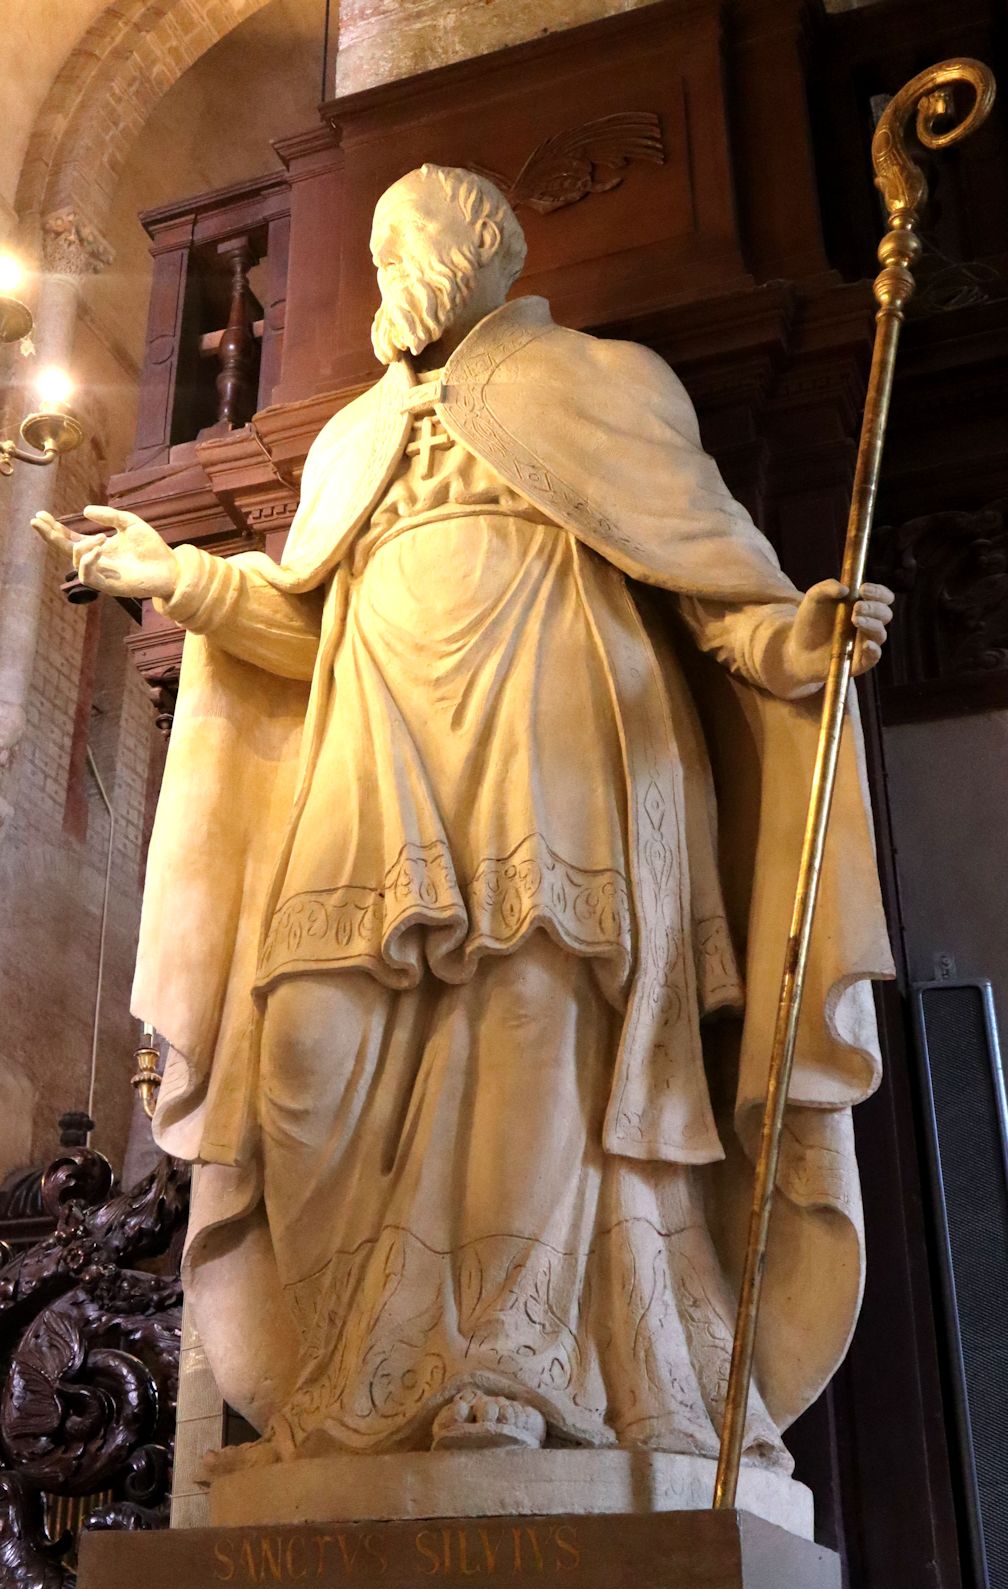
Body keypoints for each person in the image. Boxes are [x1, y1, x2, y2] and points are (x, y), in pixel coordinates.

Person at [33, 165, 894, 1477]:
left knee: (538, 1029)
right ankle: (352, 1375)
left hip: (562, 751)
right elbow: (298, 626)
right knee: (309, 1047)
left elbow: (710, 578)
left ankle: (517, 1359)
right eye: (379, 254)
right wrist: (184, 578)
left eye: (416, 243)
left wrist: (797, 637)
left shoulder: (607, 385)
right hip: (378, 756)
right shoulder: (353, 440)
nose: (397, 272)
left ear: (490, 251)